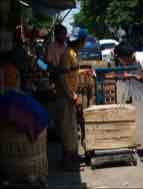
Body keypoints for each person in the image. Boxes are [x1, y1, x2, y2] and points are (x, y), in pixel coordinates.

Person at [57, 27, 87, 171]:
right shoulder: (67, 54)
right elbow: (62, 77)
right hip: (65, 97)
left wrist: (84, 71)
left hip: (68, 97)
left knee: (71, 129)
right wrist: (73, 95)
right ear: (80, 42)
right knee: (67, 130)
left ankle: (73, 157)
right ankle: (67, 163)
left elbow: (71, 71)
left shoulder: (72, 53)